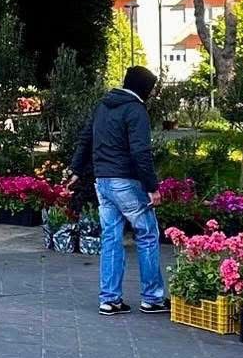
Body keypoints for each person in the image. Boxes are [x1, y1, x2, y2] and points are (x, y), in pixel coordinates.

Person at [68, 65, 168, 316]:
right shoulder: (136, 110)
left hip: (102, 182)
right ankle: (152, 297)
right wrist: (152, 187)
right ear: (144, 88)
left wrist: (76, 170)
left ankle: (109, 299)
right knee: (146, 234)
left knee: (111, 237)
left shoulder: (103, 105)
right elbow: (140, 153)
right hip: (126, 182)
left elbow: (85, 139)